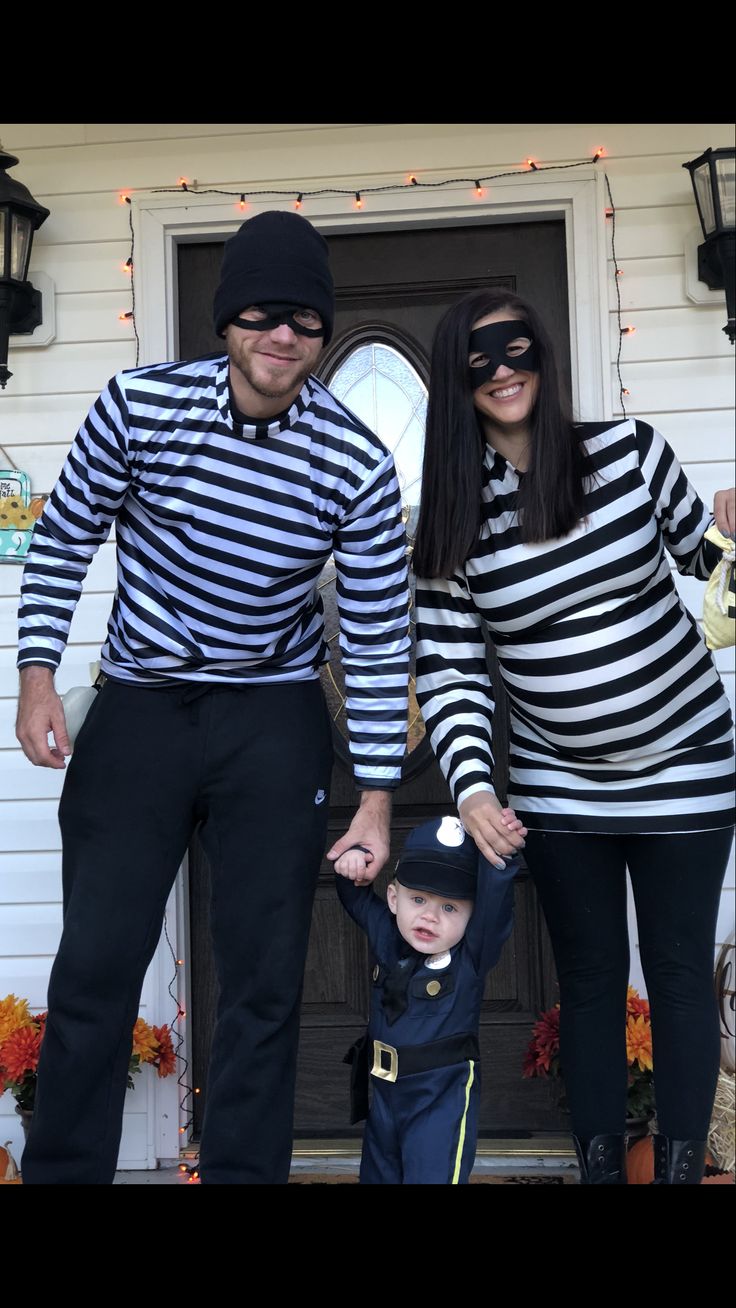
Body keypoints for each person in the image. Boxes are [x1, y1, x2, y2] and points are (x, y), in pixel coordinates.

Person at [14, 209, 411, 1185]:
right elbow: (63, 539)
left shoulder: (355, 461)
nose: (285, 334)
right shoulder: (138, 407)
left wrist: (373, 793)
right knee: (96, 966)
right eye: (264, 312)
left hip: (271, 719)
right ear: (228, 318)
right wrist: (34, 679)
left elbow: (371, 632)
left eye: (307, 320)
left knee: (265, 982)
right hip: (141, 709)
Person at [412, 288, 735, 1185]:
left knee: (676, 979)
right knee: (589, 985)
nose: (505, 369)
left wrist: (735, 539)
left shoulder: (629, 455)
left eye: (517, 348)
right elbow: (451, 674)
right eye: (481, 357)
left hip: (689, 766)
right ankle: (601, 1173)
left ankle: (675, 1172)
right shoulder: (451, 519)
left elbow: (711, 572)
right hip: (561, 787)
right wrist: (474, 787)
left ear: (544, 355)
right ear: (456, 379)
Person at [335, 815, 521, 1183]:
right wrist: (354, 859)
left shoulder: (470, 959)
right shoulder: (388, 937)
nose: (430, 916)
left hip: (440, 1095)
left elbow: (496, 909)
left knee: (432, 1175)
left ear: (473, 917)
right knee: (379, 1174)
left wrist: (500, 853)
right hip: (385, 1092)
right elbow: (354, 894)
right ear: (393, 898)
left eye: (450, 907)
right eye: (417, 898)